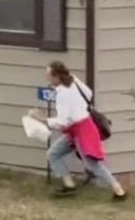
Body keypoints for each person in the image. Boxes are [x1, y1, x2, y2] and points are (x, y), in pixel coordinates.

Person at [30, 61, 126, 201]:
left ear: (56, 77)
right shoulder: (74, 80)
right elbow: (88, 93)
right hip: (78, 128)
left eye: (49, 76)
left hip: (82, 131)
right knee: (53, 153)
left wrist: (42, 119)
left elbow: (62, 122)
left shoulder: (62, 95)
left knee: (93, 165)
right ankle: (69, 186)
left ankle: (119, 191)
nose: (47, 79)